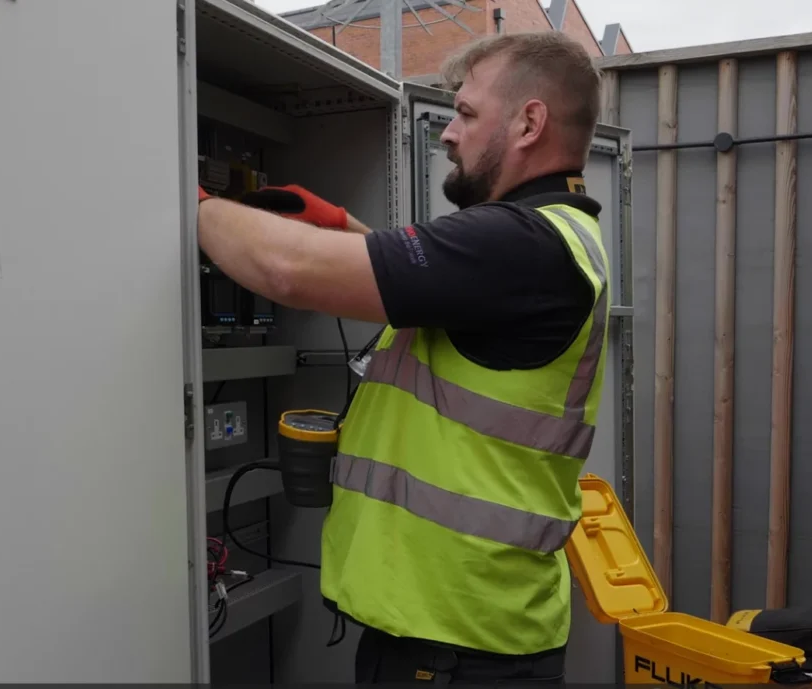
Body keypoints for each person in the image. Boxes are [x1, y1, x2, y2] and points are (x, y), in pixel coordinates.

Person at [197, 30, 609, 685]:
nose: (449, 133)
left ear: (530, 123)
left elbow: (282, 269)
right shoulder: (549, 239)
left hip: (457, 650)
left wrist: (197, 204)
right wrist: (344, 229)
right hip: (466, 632)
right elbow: (437, 299)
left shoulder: (522, 243)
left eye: (466, 113)